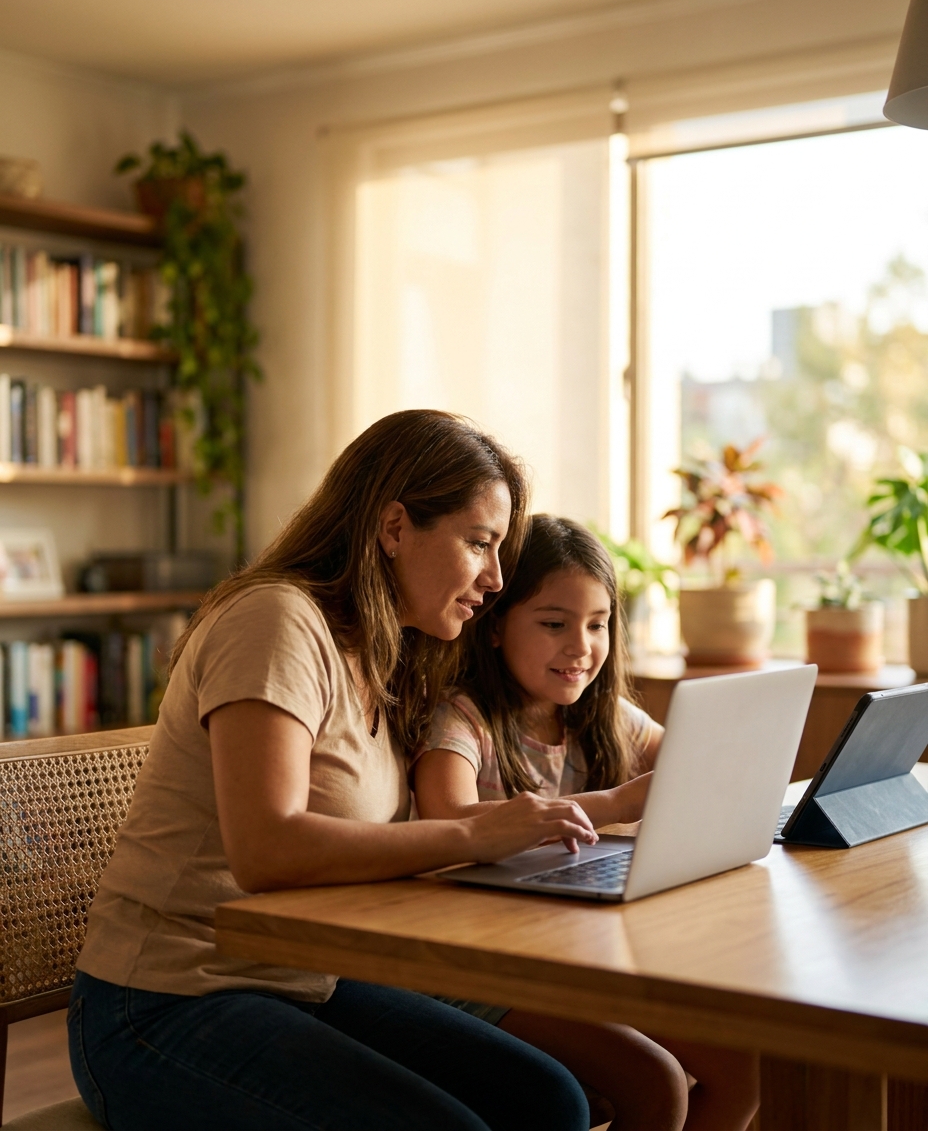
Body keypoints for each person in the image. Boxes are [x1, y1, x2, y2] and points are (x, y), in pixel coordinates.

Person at [68, 412, 599, 1131]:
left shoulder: (383, 655)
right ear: (393, 528)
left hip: (297, 980)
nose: (498, 579)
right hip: (161, 1000)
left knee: (549, 1101)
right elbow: (269, 849)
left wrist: (522, 826)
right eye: (480, 543)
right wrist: (475, 837)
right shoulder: (275, 621)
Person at [413, 515, 760, 1131]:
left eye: (598, 625)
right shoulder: (462, 718)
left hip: (575, 956)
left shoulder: (602, 715)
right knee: (656, 1084)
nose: (581, 647)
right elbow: (448, 815)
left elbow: (697, 767)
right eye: (553, 624)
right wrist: (618, 805)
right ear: (495, 628)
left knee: (744, 1072)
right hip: (479, 966)